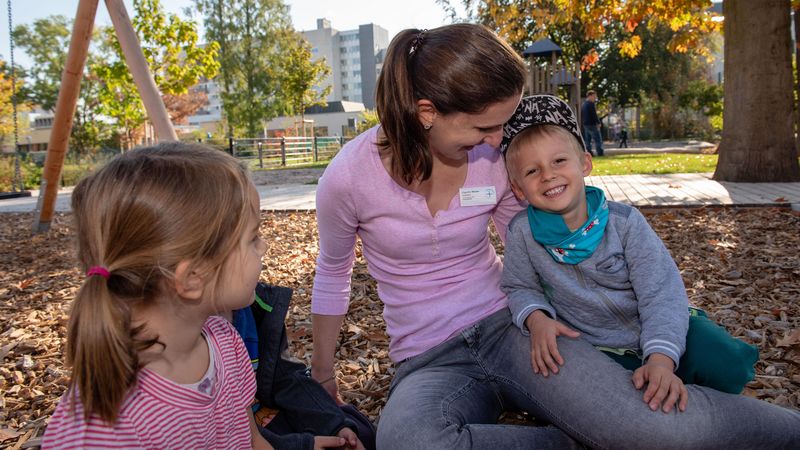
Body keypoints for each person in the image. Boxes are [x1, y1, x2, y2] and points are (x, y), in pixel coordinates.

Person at [310, 23, 800, 450]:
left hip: (517, 329)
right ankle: (579, 440)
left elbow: (532, 245)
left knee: (654, 426)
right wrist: (323, 373)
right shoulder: (348, 179)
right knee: (408, 441)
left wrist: (559, 310)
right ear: (426, 112)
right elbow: (332, 273)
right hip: (428, 357)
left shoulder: (489, 162)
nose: (500, 140)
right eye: (487, 126)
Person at [500, 95, 760, 408]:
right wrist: (537, 319)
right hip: (596, 345)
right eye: (531, 171)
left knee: (726, 364)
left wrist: (662, 359)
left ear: (584, 163)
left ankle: (683, 384)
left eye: (559, 161)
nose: (548, 175)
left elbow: (661, 293)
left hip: (662, 327)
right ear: (517, 189)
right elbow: (520, 286)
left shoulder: (624, 223)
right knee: (577, 391)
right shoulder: (522, 233)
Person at [42, 143, 273, 449]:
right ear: (192, 278)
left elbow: (252, 440)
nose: (264, 247)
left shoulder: (225, 343)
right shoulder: (105, 428)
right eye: (253, 238)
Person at [232, 282, 375, 450]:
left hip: (266, 413)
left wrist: (334, 426)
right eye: (249, 254)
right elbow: (231, 430)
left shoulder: (253, 305)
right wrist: (302, 445)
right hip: (242, 433)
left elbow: (284, 377)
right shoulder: (206, 343)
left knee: (360, 434)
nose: (259, 262)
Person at [581, 90, 604, 156]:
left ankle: (589, 152)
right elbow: (594, 115)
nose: (595, 98)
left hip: (586, 124)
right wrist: (598, 122)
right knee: (598, 139)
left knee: (588, 140)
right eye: (594, 96)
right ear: (590, 96)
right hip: (592, 124)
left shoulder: (584, 104)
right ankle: (600, 152)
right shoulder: (591, 104)